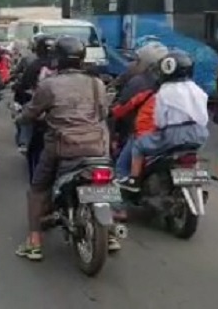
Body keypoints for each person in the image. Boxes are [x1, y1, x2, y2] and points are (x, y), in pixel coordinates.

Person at [16, 36, 112, 261]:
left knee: (37, 189)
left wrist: (21, 119)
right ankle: (110, 233)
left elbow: (30, 114)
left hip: (62, 147)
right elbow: (103, 113)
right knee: (109, 182)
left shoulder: (49, 85)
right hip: (97, 147)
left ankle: (34, 242)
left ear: (57, 59)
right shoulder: (96, 83)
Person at [116, 50, 210, 192]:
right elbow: (203, 117)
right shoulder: (198, 90)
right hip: (199, 134)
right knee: (192, 153)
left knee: (138, 146)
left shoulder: (164, 92)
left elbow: (159, 120)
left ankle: (134, 180)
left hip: (172, 136)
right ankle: (195, 181)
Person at [111, 42, 170, 181]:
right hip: (170, 136)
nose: (134, 63)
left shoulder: (140, 82)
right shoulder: (179, 86)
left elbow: (122, 109)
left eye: (138, 60)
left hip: (140, 133)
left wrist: (113, 133)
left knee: (121, 168)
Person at [13, 34, 57, 159]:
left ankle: (24, 143)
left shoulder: (33, 65)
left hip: (40, 106)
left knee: (25, 117)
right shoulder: (63, 67)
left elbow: (23, 85)